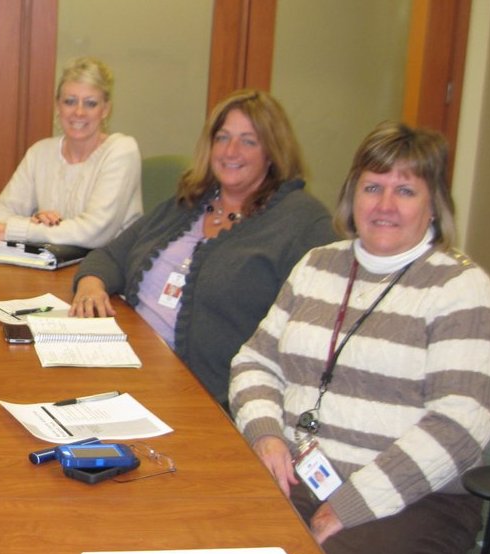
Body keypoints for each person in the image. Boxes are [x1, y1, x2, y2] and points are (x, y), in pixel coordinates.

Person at [229, 122, 490, 554]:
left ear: (434, 204)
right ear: (351, 193)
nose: (384, 204)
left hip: (413, 500)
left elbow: (461, 425)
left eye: (405, 190)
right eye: (372, 186)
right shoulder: (318, 266)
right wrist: (266, 432)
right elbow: (254, 361)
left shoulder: (459, 288)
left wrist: (354, 503)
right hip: (300, 476)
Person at [69, 89, 336, 405]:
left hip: (205, 396)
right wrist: (90, 286)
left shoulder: (301, 221)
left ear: (272, 152)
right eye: (222, 138)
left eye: (248, 141)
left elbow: (317, 333)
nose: (231, 151)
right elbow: (111, 255)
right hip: (125, 364)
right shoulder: (191, 201)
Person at [0, 57, 142, 248]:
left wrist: (17, 230)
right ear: (57, 106)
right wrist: (34, 222)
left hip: (109, 270)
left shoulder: (121, 151)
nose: (79, 112)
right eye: (70, 101)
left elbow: (94, 233)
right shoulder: (40, 152)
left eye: (90, 103)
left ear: (105, 109)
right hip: (50, 266)